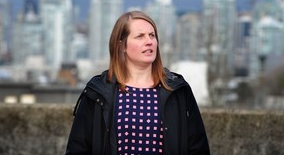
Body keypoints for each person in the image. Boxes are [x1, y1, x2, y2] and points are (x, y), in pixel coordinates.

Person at [66, 11, 210, 155]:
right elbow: (78, 148)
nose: (149, 41)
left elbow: (198, 147)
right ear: (121, 46)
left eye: (152, 35)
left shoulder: (178, 90)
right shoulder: (98, 91)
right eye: (140, 36)